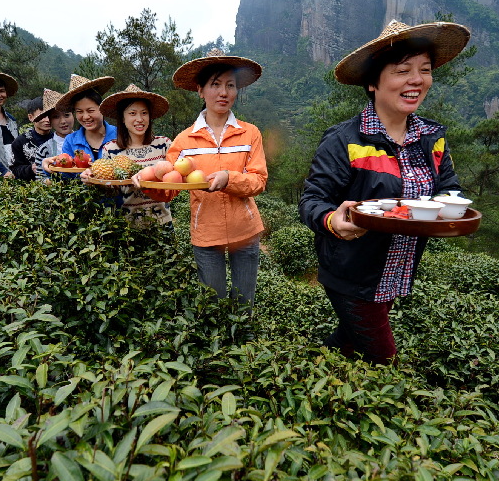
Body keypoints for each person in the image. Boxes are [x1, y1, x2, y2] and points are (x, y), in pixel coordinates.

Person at [298, 20, 470, 365]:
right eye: (402, 70)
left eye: (425, 70)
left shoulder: (431, 138)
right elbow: (312, 200)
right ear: (373, 83)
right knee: (383, 359)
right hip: (351, 273)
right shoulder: (344, 139)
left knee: (350, 338)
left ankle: (311, 369)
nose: (417, 80)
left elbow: (448, 188)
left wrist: (451, 206)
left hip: (398, 269)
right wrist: (333, 219)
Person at [166, 48, 267, 305]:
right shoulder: (184, 140)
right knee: (214, 303)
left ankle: (244, 343)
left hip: (245, 231)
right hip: (205, 231)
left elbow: (258, 180)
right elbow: (168, 183)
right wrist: (144, 182)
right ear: (200, 90)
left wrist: (228, 178)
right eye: (215, 84)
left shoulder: (249, 134)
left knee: (245, 303)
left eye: (230, 85)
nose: (224, 93)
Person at [94, 84, 173, 225]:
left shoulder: (164, 144)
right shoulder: (110, 149)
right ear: (123, 118)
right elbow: (110, 191)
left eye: (144, 113)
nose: (139, 119)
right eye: (132, 113)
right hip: (127, 229)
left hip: (163, 225)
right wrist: (94, 179)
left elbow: (175, 180)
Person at [41, 74, 115, 174]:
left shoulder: (120, 135)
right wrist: (49, 167)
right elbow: (67, 175)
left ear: (102, 108)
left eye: (90, 110)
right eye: (79, 112)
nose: (85, 117)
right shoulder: (71, 141)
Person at [9, 94, 59, 181]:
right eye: (42, 115)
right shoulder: (20, 142)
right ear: (31, 117)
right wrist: (31, 169)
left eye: (50, 115)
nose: (47, 120)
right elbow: (14, 169)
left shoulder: (58, 139)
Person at [28, 89, 74, 182]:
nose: (63, 121)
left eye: (66, 115)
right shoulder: (45, 149)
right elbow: (40, 179)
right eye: (56, 117)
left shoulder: (86, 140)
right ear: (50, 120)